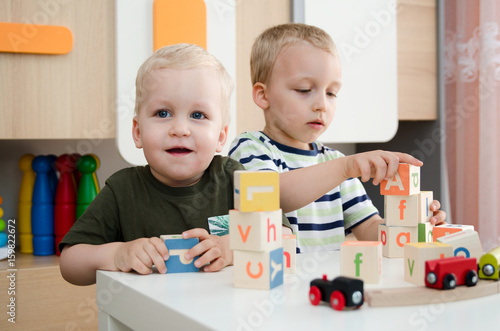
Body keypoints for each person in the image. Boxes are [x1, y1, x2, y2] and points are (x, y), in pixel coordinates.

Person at [59, 43, 291, 285]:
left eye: (198, 115)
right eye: (162, 113)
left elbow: (283, 235)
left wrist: (231, 247)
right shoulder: (122, 189)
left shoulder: (234, 176)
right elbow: (70, 263)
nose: (180, 129)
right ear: (137, 131)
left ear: (220, 137)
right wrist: (117, 254)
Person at [228, 23, 446, 253]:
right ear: (263, 96)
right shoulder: (250, 147)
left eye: (331, 93)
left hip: (327, 286)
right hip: (276, 284)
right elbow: (271, 196)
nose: (322, 105)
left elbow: (370, 228)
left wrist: (413, 226)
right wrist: (344, 167)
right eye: (304, 89)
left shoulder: (335, 162)